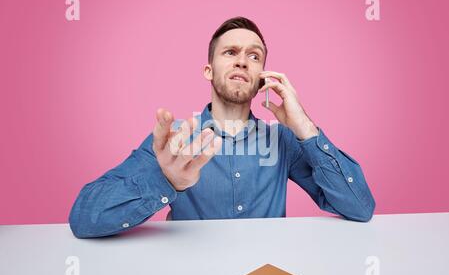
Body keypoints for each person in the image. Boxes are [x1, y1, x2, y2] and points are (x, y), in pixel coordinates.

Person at [69, 16, 376, 239]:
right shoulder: (175, 140)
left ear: (261, 78)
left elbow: (360, 207)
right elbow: (85, 218)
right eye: (230, 52)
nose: (242, 61)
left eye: (254, 56)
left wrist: (305, 127)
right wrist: (165, 181)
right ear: (208, 70)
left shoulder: (281, 141)